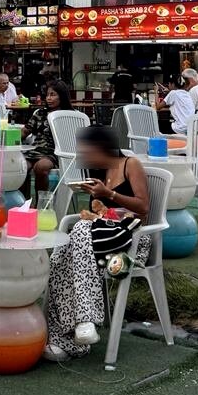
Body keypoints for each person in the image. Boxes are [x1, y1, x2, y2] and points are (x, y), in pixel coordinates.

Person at [44, 125, 150, 360]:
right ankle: (68, 340)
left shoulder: (130, 164)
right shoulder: (99, 173)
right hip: (98, 238)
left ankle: (86, 319)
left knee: (80, 231)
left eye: (88, 151)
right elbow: (99, 213)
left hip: (129, 240)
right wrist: (95, 198)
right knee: (59, 261)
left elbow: (143, 207)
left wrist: (110, 194)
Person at [22, 79, 72, 196]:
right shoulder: (40, 113)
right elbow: (25, 131)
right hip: (35, 151)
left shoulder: (68, 115)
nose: (48, 98)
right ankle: (24, 202)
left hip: (55, 153)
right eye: (47, 95)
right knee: (20, 167)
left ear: (62, 96)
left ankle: (41, 202)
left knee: (40, 167)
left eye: (53, 95)